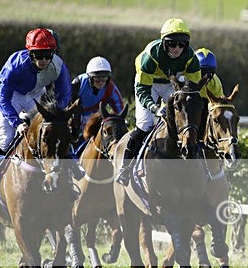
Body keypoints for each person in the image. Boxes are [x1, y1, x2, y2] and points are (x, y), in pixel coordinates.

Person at [0, 28, 72, 206]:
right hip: (11, 97)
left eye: (48, 55)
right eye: (38, 55)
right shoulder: (15, 64)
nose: (43, 60)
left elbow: (64, 94)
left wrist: (57, 116)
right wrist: (16, 122)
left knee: (52, 135)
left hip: (35, 97)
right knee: (5, 140)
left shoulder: (58, 66)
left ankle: (71, 174)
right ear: (30, 52)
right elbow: (1, 97)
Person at [117, 18, 201, 185]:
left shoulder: (191, 57)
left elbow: (193, 89)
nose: (177, 48)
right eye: (172, 44)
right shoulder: (151, 56)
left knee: (184, 123)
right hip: (149, 86)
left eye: (182, 44)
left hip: (172, 83)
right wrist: (154, 108)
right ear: (164, 43)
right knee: (145, 124)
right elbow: (142, 89)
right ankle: (125, 168)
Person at [71, 56, 124, 140]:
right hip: (76, 118)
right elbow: (66, 104)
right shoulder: (78, 83)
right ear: (90, 77)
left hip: (95, 120)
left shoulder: (111, 88)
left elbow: (120, 112)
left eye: (104, 78)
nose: (101, 82)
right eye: (97, 78)